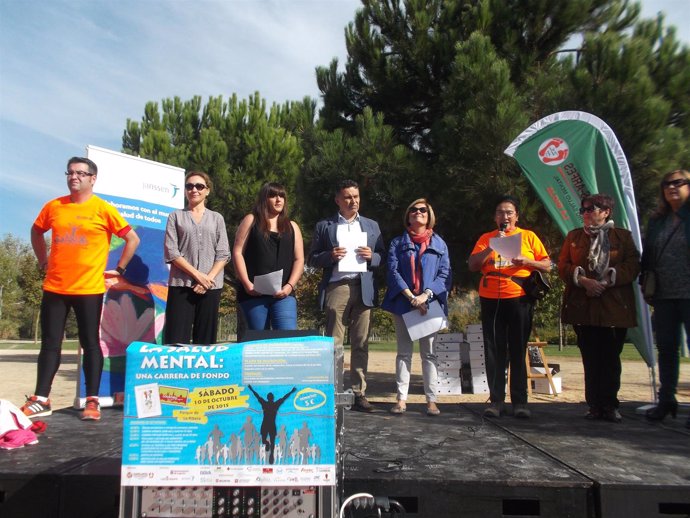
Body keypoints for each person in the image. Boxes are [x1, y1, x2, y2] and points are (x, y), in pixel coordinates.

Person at [22, 157, 140, 421]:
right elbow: (35, 231)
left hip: (89, 288)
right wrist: (43, 260)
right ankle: (41, 398)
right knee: (50, 344)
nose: (74, 176)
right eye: (70, 172)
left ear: (92, 178)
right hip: (55, 286)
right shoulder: (54, 206)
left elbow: (132, 238)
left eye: (80, 173)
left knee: (90, 344)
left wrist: (119, 269)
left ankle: (93, 400)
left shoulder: (103, 209)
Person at [558, 194, 640, 423]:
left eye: (590, 209)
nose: (585, 213)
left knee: (611, 358)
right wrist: (584, 281)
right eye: (583, 210)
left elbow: (632, 265)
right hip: (583, 306)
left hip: (614, 307)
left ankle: (610, 404)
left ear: (605, 211)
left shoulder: (622, 237)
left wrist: (607, 280)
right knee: (591, 358)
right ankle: (594, 405)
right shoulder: (574, 237)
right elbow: (563, 265)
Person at [468, 195, 551, 419]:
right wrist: (493, 244)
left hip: (519, 297)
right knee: (494, 350)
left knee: (517, 349)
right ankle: (496, 401)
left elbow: (548, 265)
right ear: (495, 217)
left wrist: (528, 261)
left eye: (509, 213)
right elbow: (473, 264)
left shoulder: (528, 236)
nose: (504, 216)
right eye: (500, 213)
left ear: (516, 216)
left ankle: (520, 402)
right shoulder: (487, 238)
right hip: (491, 297)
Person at [308, 179, 385, 412]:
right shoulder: (325, 226)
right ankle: (334, 392)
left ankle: (359, 392)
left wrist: (373, 256)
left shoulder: (372, 225)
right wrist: (330, 255)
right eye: (348, 197)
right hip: (337, 286)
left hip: (364, 286)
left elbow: (384, 257)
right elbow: (312, 258)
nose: (354, 201)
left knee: (361, 343)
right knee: (334, 343)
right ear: (338, 200)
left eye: (357, 196)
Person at [381, 199, 451, 416]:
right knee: (403, 353)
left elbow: (445, 274)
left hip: (429, 305)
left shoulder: (439, 244)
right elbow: (393, 272)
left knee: (429, 355)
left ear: (429, 215)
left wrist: (425, 296)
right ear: (408, 216)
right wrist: (412, 297)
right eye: (413, 210)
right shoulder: (397, 243)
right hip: (404, 304)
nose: (418, 213)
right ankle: (401, 399)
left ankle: (431, 400)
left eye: (422, 210)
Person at [641, 169, 690, 428]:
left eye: (678, 183)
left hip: (688, 293)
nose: (672, 187)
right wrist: (644, 283)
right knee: (667, 348)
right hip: (663, 294)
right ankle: (666, 399)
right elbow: (649, 254)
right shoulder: (658, 220)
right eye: (667, 184)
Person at [164, 171, 229, 345]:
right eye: (189, 186)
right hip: (181, 285)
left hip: (210, 286)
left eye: (199, 186)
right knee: (176, 340)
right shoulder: (175, 217)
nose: (194, 189)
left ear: (207, 190)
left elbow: (223, 253)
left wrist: (207, 279)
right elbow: (172, 252)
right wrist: (198, 275)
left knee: (205, 341)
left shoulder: (217, 219)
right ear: (185, 190)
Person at [233, 183, 304, 331]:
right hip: (254, 294)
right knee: (259, 343)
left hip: (284, 295)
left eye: (281, 196)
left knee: (287, 340)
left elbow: (299, 260)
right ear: (264, 199)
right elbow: (237, 252)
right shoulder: (251, 220)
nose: (278, 200)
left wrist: (289, 286)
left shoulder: (292, 226)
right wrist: (247, 284)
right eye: (273, 195)